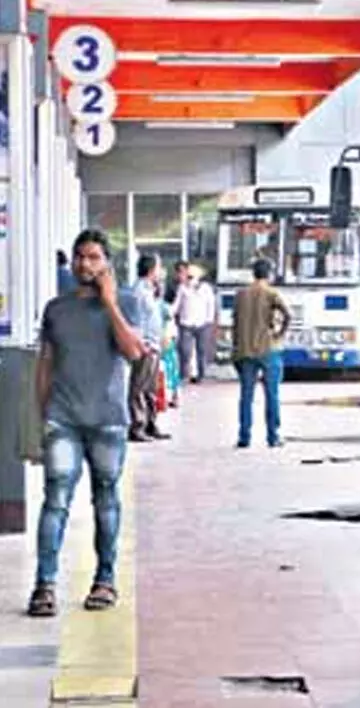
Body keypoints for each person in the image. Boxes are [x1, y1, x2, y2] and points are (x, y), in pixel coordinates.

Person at [27, 229, 146, 617]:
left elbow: (133, 352)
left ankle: (105, 580)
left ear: (107, 263)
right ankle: (44, 585)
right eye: (80, 256)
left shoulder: (127, 300)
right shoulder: (56, 309)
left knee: (106, 501)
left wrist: (110, 303)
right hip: (63, 418)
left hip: (108, 420)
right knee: (56, 500)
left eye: (94, 257)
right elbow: (45, 364)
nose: (84, 263)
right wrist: (40, 416)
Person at [231, 257, 290, 449]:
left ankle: (244, 437)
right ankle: (273, 436)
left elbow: (235, 323)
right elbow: (288, 315)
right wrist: (279, 333)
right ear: (269, 274)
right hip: (268, 348)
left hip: (245, 350)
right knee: (272, 394)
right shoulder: (271, 293)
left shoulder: (241, 294)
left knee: (246, 395)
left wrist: (236, 347)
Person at [127, 254, 171, 442]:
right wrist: (142, 343)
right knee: (139, 387)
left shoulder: (150, 290)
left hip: (154, 344)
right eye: (159, 267)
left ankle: (151, 423)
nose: (161, 272)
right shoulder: (138, 292)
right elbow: (136, 319)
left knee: (151, 388)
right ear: (152, 269)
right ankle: (137, 426)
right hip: (145, 346)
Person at [174, 264, 217, 384]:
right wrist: (171, 313)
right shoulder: (182, 288)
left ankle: (201, 375)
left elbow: (211, 305)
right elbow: (177, 304)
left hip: (202, 323)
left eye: (191, 277)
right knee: (185, 350)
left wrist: (209, 320)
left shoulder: (206, 288)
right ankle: (184, 375)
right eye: (187, 276)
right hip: (186, 322)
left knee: (202, 350)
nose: (188, 279)